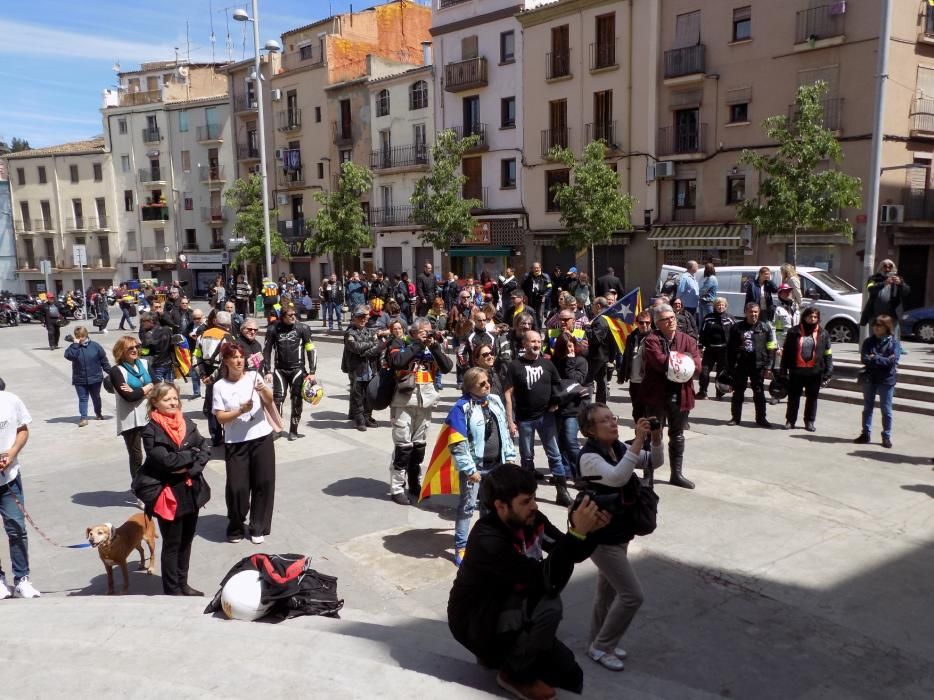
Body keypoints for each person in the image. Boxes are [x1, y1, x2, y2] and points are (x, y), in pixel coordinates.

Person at [447, 465, 608, 700]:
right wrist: (576, 535)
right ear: (501, 506)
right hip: (476, 619)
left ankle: (502, 655)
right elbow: (548, 580)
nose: (534, 505)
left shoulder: (531, 519)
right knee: (549, 606)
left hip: (509, 604)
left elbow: (566, 550)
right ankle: (513, 675)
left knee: (569, 674)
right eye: (525, 501)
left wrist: (589, 530)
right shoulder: (487, 540)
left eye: (533, 497)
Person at [578, 408, 659, 670]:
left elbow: (652, 462)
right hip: (601, 538)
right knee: (633, 595)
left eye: (613, 418)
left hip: (619, 532)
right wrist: (636, 441)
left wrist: (656, 440)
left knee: (607, 592)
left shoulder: (619, 449)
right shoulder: (589, 457)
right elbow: (617, 477)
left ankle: (596, 641)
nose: (612, 423)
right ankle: (603, 647)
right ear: (590, 430)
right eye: (605, 420)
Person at [138, 383, 211, 596]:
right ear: (155, 403)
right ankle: (172, 590)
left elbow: (204, 447)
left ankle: (183, 583)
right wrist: (191, 454)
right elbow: (167, 461)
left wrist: (192, 467)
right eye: (167, 399)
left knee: (187, 540)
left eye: (174, 399)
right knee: (172, 543)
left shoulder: (186, 422)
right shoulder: (151, 430)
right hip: (167, 493)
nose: (172, 403)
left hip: (190, 489)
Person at [449, 367, 517, 566]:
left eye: (487, 381)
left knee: (491, 507)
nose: (488, 385)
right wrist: (470, 469)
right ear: (470, 387)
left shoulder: (495, 401)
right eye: (482, 384)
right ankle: (461, 546)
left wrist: (510, 456)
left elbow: (504, 432)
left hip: (497, 466)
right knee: (468, 507)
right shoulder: (461, 408)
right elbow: (457, 442)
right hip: (475, 469)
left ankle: (489, 542)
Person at [212, 344, 276, 544]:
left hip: (261, 437)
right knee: (237, 487)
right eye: (234, 358)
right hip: (236, 442)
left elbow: (269, 400)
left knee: (263, 483)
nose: (239, 361)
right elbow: (221, 418)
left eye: (241, 357)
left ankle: (258, 526)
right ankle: (236, 526)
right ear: (226, 361)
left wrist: (264, 389)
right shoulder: (219, 386)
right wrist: (240, 411)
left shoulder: (254, 377)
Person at [387, 318, 454, 504]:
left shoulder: (432, 346)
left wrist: (433, 347)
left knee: (418, 447)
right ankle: (397, 488)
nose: (428, 334)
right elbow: (398, 362)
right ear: (414, 332)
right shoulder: (400, 343)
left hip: (425, 403)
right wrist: (418, 344)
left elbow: (448, 367)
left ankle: (414, 483)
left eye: (429, 331)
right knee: (403, 447)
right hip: (403, 401)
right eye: (424, 331)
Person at [503, 330, 572, 506]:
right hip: (525, 419)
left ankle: (561, 491)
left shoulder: (548, 364)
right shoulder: (515, 366)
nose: (536, 345)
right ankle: (528, 491)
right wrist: (510, 420)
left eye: (538, 342)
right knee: (526, 457)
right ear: (524, 344)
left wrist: (556, 401)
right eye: (532, 341)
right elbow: (508, 394)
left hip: (546, 417)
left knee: (555, 454)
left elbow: (558, 385)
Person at [641, 303, 702, 489]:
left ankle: (676, 474)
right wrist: (683, 362)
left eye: (672, 318)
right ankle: (648, 475)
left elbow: (697, 367)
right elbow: (659, 363)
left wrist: (679, 364)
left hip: (681, 394)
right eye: (665, 319)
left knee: (677, 434)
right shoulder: (652, 340)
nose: (671, 321)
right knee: (652, 434)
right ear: (657, 323)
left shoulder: (688, 340)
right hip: (656, 395)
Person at [0, 383, 41, 599]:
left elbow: (22, 430)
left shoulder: (10, 400)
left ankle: (22, 578)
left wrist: (12, 452)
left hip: (9, 477)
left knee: (16, 527)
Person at [263, 304, 317, 441]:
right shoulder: (273, 329)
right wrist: (267, 370)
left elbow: (311, 349)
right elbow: (267, 350)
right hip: (280, 370)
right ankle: (277, 428)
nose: (294, 317)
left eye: (295, 314)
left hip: (297, 370)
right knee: (278, 400)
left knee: (297, 400)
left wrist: (312, 371)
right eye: (290, 315)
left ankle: (294, 430)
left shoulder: (303, 328)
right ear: (282, 317)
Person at [780, 306, 833, 432]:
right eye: (810, 316)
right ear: (804, 317)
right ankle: (790, 421)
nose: (812, 319)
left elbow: (828, 353)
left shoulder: (823, 333)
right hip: (796, 371)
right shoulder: (793, 332)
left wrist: (829, 371)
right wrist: (783, 370)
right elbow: (786, 352)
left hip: (814, 372)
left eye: (815, 317)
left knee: (812, 398)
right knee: (793, 397)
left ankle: (809, 421)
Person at [108, 335, 153, 482]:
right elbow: (128, 397)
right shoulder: (117, 371)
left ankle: (153, 484)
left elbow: (158, 388)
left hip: (149, 416)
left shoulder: (145, 364)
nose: (135, 350)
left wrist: (138, 392)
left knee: (154, 452)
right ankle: (138, 488)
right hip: (130, 420)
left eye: (136, 347)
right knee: (136, 457)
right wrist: (147, 388)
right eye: (130, 348)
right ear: (121, 351)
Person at [727, 302, 777, 428]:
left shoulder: (765, 328)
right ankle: (735, 418)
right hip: (741, 364)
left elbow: (771, 348)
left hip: (758, 365)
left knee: (759, 393)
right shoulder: (736, 328)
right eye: (751, 312)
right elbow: (730, 349)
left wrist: (769, 366)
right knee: (738, 392)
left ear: (759, 313)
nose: (753, 314)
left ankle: (761, 419)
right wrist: (729, 368)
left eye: (755, 312)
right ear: (745, 312)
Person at [854, 314, 900, 448]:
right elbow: (864, 359)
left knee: (886, 410)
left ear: (887, 327)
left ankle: (886, 436)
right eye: (874, 325)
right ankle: (865, 433)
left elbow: (892, 363)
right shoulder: (868, 342)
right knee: (867, 407)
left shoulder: (894, 343)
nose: (875, 328)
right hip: (870, 378)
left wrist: (875, 358)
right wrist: (881, 359)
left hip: (886, 380)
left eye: (879, 325)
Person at [344, 305, 390, 431]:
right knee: (357, 395)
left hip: (370, 368)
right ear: (355, 318)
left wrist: (365, 351)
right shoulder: (350, 333)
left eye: (365, 317)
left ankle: (367, 416)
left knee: (369, 394)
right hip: (357, 369)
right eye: (361, 317)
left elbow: (377, 347)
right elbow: (356, 348)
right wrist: (370, 345)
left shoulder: (369, 331)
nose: (364, 319)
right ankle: (359, 420)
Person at [551, 333, 588, 482]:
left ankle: (581, 473)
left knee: (571, 441)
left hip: (574, 407)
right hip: (558, 406)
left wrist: (571, 360)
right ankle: (566, 471)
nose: (568, 350)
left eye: (571, 346)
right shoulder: (556, 362)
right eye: (565, 347)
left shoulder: (580, 361)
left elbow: (575, 380)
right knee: (560, 442)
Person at [195, 311, 235, 445]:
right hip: (223, 375)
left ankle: (215, 437)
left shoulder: (202, 336)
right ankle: (229, 434)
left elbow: (196, 356)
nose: (228, 327)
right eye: (227, 325)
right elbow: (226, 362)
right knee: (227, 405)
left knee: (213, 405)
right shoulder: (228, 337)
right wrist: (212, 377)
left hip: (207, 374)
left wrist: (203, 375)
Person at [64, 326, 111, 427]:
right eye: (78, 336)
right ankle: (84, 418)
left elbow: (104, 361)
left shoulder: (95, 346)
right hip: (79, 379)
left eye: (82, 336)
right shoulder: (73, 347)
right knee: (83, 398)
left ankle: (98, 413)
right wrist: (75, 345)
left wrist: (111, 372)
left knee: (96, 397)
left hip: (95, 378)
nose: (80, 338)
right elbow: (69, 356)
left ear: (86, 335)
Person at [860, 259, 910, 340]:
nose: (887, 269)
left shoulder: (898, 278)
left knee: (893, 339)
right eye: (885, 266)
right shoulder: (874, 278)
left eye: (890, 266)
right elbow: (870, 289)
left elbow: (906, 292)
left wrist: (901, 284)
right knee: (875, 338)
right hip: (875, 315)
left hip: (892, 316)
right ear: (880, 268)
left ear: (893, 268)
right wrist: (884, 283)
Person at [697, 298, 734, 400]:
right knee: (704, 371)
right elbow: (702, 332)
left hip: (724, 350)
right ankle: (703, 392)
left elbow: (735, 333)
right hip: (710, 349)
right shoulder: (708, 318)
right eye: (718, 305)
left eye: (722, 305)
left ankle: (719, 393)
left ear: (725, 306)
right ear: (714, 306)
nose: (720, 307)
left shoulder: (730, 319)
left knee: (721, 372)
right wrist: (700, 346)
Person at [620, 309, 653, 421]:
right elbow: (626, 356)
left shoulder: (654, 338)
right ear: (637, 323)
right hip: (634, 381)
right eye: (641, 322)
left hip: (648, 381)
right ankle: (639, 436)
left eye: (647, 322)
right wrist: (622, 374)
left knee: (648, 412)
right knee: (637, 411)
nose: (644, 325)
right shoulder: (631, 337)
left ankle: (649, 437)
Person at [138, 311, 175, 383]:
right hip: (169, 363)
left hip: (156, 365)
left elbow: (145, 353)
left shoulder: (148, 335)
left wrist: (139, 348)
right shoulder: (167, 330)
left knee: (158, 389)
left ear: (151, 321)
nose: (142, 324)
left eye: (143, 321)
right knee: (170, 387)